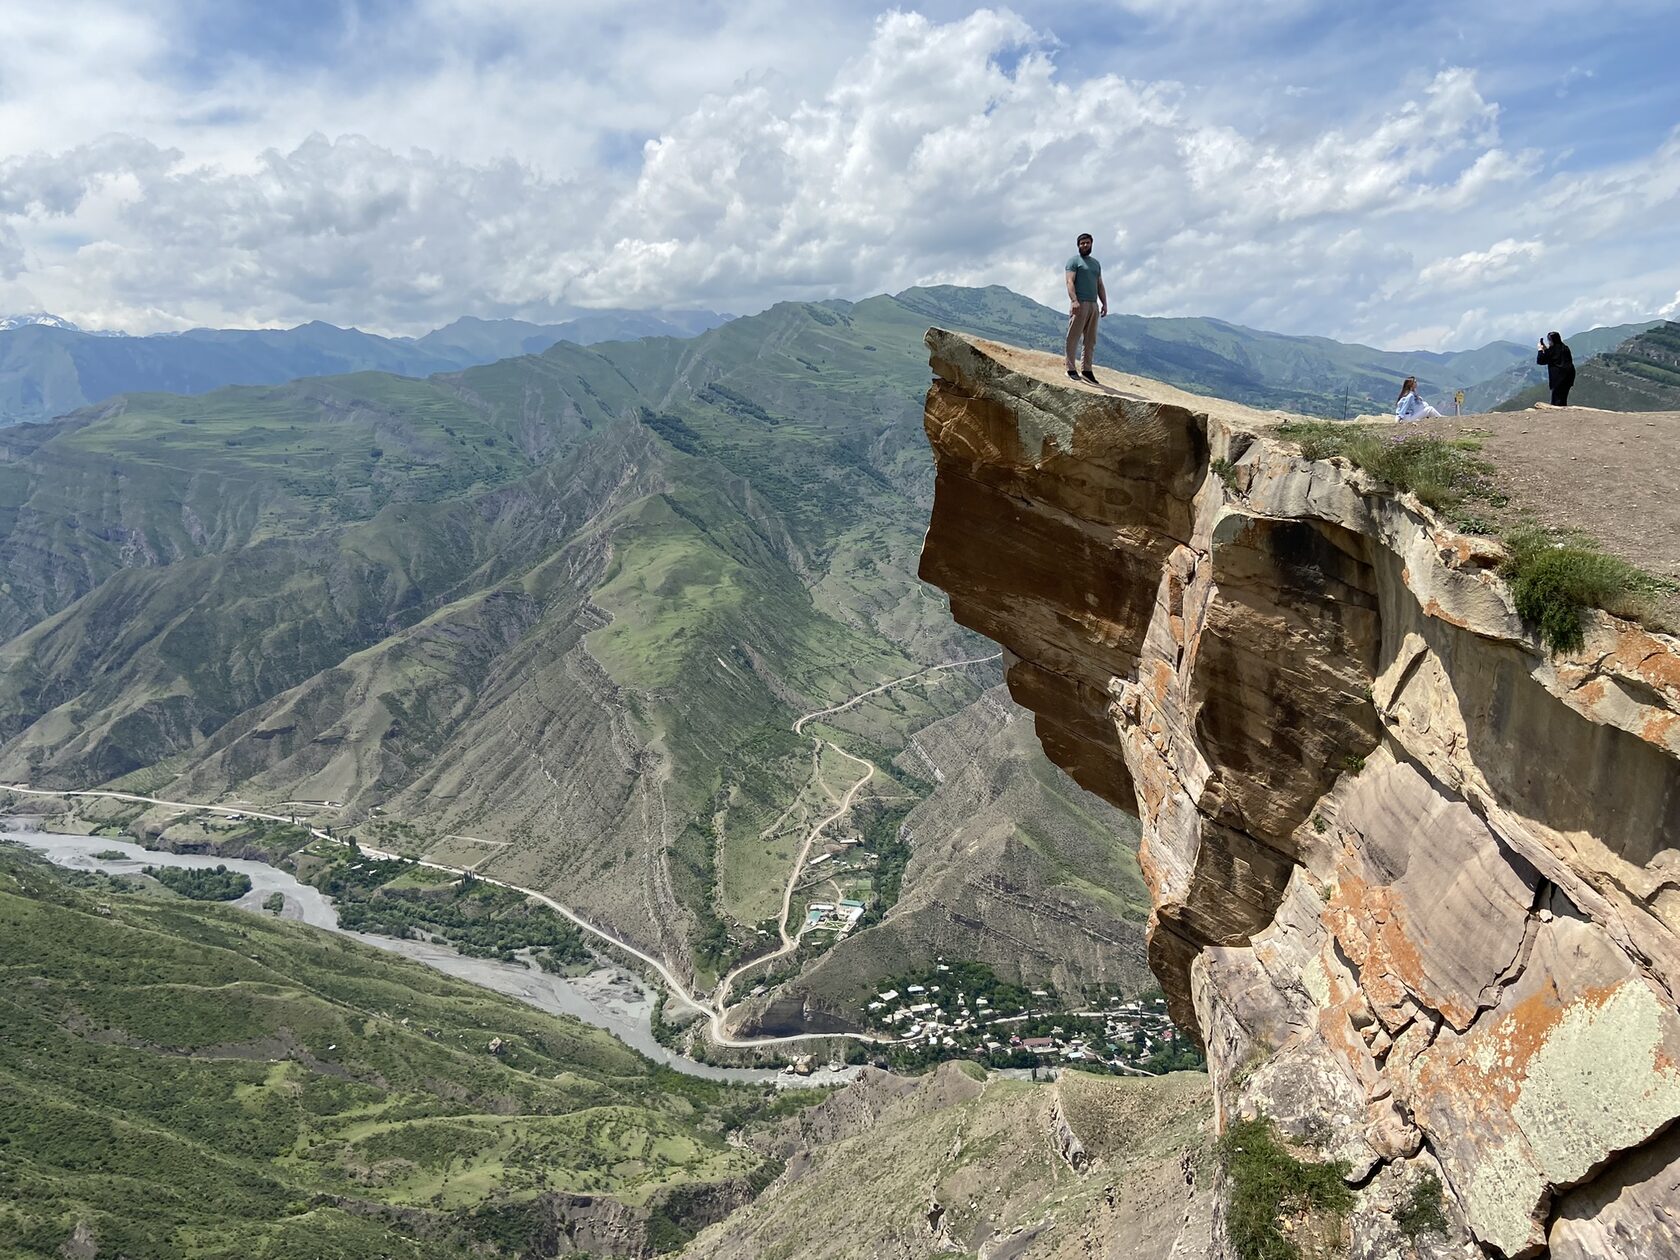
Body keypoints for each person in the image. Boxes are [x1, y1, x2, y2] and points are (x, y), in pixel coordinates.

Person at [1064, 233, 1108, 382]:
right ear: (1078, 245)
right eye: (1082, 243)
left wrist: (1104, 303)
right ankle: (1070, 368)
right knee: (1073, 337)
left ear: (1091, 244)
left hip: (1093, 305)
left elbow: (1100, 284)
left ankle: (1087, 370)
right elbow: (1069, 282)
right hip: (1080, 302)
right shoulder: (1074, 262)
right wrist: (1074, 300)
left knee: (1090, 340)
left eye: (1087, 243)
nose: (1084, 245)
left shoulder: (1096, 264)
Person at [1538, 331, 1575, 406]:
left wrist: (1540, 350)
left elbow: (1541, 361)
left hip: (1558, 378)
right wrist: (1545, 349)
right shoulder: (1565, 348)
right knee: (1563, 398)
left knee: (1556, 399)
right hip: (1569, 376)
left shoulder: (1552, 350)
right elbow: (1554, 356)